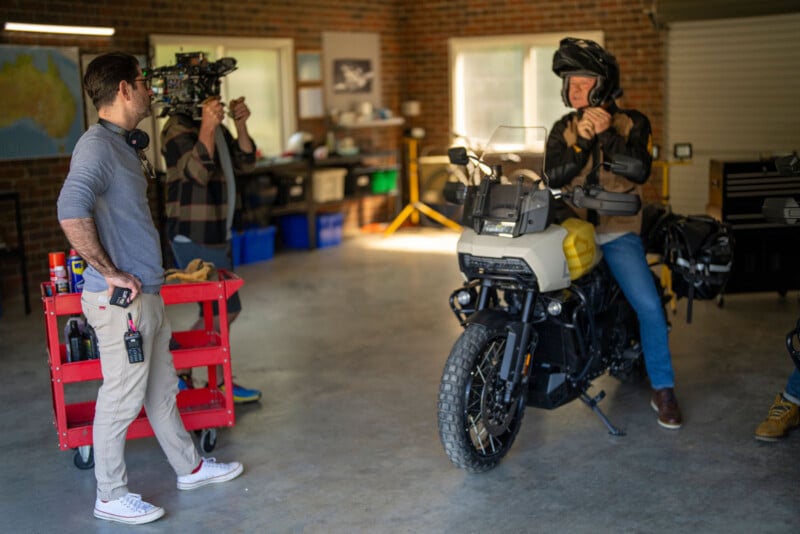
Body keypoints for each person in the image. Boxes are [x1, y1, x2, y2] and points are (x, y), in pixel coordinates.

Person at [57, 52, 243, 525]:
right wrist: (107, 270)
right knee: (120, 396)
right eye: (141, 82)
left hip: (148, 296)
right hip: (121, 302)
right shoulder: (96, 146)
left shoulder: (123, 145)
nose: (148, 90)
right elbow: (69, 209)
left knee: (161, 391)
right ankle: (110, 493)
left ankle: (191, 467)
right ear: (123, 89)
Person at [544, 37, 682, 429]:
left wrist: (605, 136)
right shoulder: (563, 128)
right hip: (570, 230)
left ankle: (664, 387)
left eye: (582, 82)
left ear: (603, 83)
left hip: (617, 233)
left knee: (649, 307)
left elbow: (639, 169)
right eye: (569, 82)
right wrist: (582, 140)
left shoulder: (633, 122)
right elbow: (553, 175)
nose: (573, 90)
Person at [160, 54, 261, 404]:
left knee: (217, 311)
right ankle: (202, 376)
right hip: (194, 234)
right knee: (223, 310)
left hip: (219, 230)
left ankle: (188, 374)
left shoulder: (213, 127)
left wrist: (241, 125)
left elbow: (246, 162)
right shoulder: (176, 127)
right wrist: (207, 125)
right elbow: (197, 173)